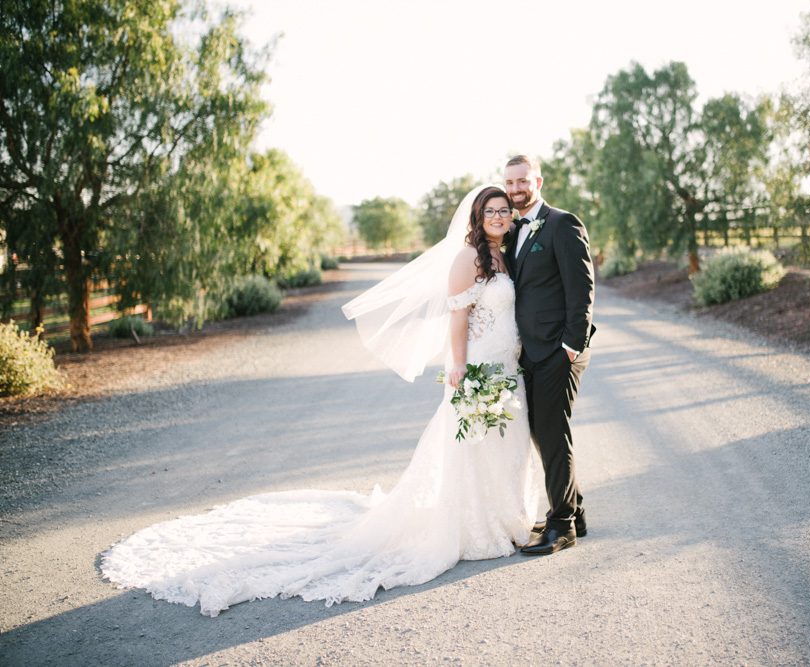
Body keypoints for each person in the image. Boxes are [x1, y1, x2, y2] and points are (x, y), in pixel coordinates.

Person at [100, 185, 541, 617]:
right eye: (491, 211)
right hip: (480, 366)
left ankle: (508, 519)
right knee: (475, 447)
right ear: (478, 217)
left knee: (506, 444)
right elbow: (458, 319)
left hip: (508, 366)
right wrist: (460, 368)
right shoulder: (467, 257)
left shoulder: (506, 253)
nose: (500, 217)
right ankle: (478, 529)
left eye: (504, 210)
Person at [503, 155, 596, 555]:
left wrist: (571, 347)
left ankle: (563, 527)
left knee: (553, 434)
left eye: (522, 181)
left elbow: (582, 288)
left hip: (560, 351)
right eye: (509, 183)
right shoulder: (512, 229)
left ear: (538, 180)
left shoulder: (562, 223)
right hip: (531, 353)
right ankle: (573, 509)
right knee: (542, 433)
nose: (515, 189)